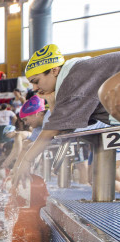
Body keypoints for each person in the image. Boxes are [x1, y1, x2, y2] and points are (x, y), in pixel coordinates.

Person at [12, 44, 120, 184]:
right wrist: (51, 100)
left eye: (36, 81)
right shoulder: (73, 75)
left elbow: (52, 131)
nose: (34, 88)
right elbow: (62, 130)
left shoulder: (74, 80)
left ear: (54, 70)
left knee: (108, 92)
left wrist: (26, 161)